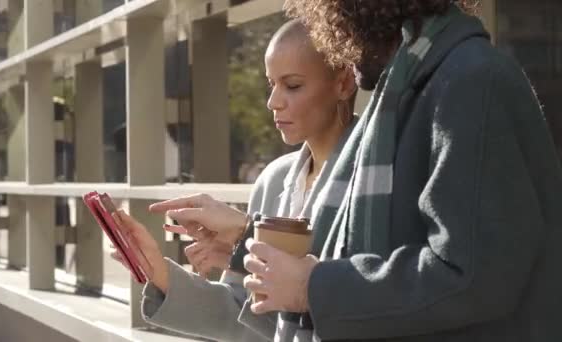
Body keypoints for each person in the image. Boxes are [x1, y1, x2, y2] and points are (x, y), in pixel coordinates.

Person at [149, 0, 562, 341]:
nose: (335, 39)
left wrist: (312, 287)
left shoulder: (471, 81)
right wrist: (244, 242)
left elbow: (474, 276)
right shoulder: (408, 95)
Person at [110, 19, 358, 341]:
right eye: (272, 85)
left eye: (293, 85)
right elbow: (243, 314)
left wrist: (245, 234)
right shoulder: (274, 180)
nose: (274, 102)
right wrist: (160, 272)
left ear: (344, 82)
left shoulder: (376, 179)